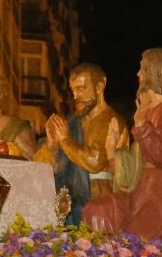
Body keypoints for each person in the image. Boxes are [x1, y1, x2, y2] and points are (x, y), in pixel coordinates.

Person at [80, 48, 162, 239]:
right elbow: (141, 157)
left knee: (138, 239)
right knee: (97, 210)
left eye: (142, 69)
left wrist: (142, 125)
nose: (138, 74)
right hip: (146, 189)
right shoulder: (154, 110)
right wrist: (115, 154)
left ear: (155, 71)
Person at [35, 64, 127, 216]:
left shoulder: (111, 121)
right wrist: (51, 146)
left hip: (100, 205)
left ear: (100, 86)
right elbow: (41, 167)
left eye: (82, 89)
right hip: (67, 204)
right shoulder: (72, 123)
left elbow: (95, 161)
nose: (76, 96)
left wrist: (65, 141)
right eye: (73, 90)